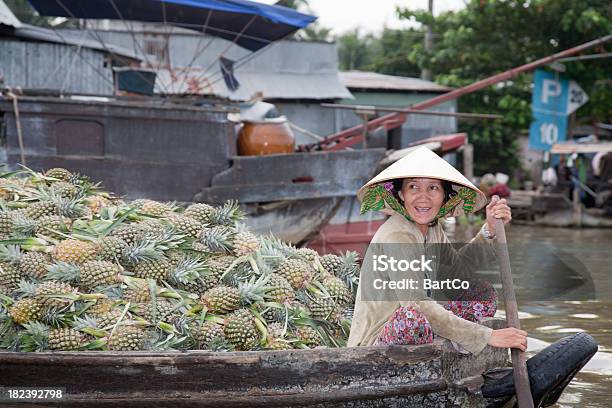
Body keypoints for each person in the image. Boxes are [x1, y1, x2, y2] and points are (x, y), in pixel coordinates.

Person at [348, 146, 526, 355]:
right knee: (413, 317)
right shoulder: (397, 235)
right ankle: (453, 345)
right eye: (413, 187)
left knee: (481, 294)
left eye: (433, 188)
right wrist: (486, 335)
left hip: (420, 325)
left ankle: (450, 346)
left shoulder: (432, 228)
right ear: (401, 195)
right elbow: (417, 304)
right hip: (377, 340)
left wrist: (489, 231)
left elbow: (460, 274)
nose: (423, 198)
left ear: (445, 196)